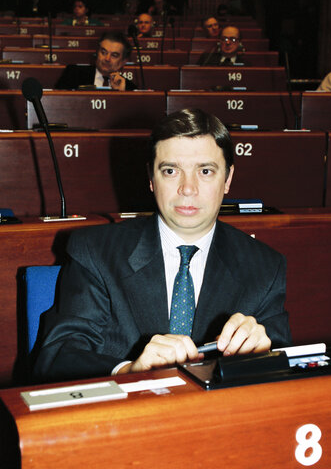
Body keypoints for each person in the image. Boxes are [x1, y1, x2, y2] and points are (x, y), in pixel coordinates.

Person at [33, 108, 291, 383]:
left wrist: (265, 355)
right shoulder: (95, 251)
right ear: (151, 179)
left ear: (227, 179)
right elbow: (57, 358)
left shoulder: (265, 267)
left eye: (205, 171)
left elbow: (285, 369)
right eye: (170, 171)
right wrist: (129, 372)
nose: (187, 188)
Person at [56, 30, 136, 91]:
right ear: (97, 53)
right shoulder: (73, 74)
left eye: (114, 55)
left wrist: (121, 95)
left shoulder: (129, 88)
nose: (107, 59)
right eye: (103, 52)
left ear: (123, 61)